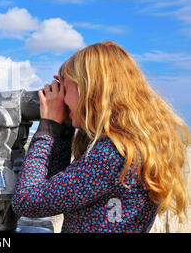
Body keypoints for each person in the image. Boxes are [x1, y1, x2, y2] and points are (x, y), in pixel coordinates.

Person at [11, 40, 189, 233]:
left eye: (65, 87)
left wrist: (48, 128)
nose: (63, 97)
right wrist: (63, 129)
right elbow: (53, 189)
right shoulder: (126, 147)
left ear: (88, 90)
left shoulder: (112, 154)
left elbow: (27, 201)